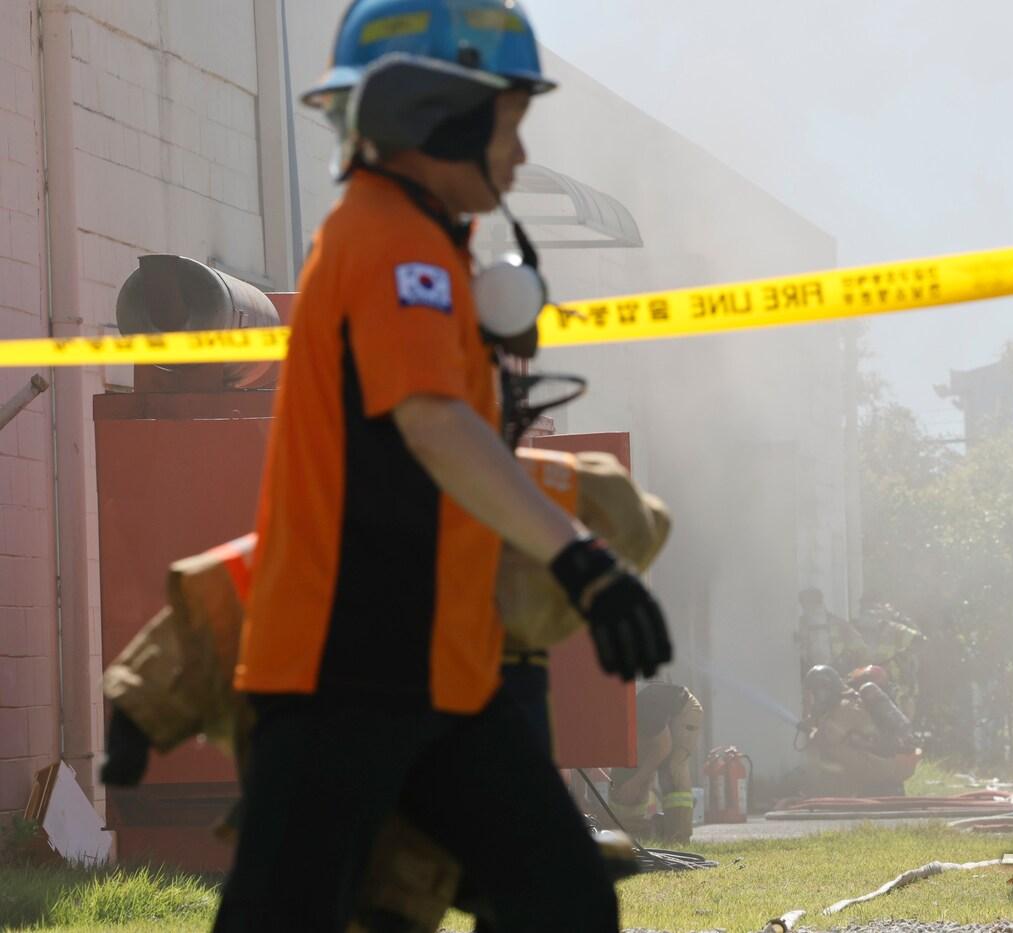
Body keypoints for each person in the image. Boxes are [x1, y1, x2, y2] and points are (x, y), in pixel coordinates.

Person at [213, 3, 671, 930]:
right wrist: (583, 561)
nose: (518, 155)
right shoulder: (389, 241)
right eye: (508, 124)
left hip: (443, 676)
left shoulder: (430, 247)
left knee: (563, 898)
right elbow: (433, 424)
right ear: (438, 116)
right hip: (342, 677)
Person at [796, 665, 919, 797]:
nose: (814, 699)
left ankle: (840, 793)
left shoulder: (845, 707)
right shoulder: (845, 704)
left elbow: (824, 738)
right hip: (883, 767)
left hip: (883, 769)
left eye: (814, 694)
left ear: (824, 691)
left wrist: (810, 722)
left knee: (833, 750)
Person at [608, 682, 705, 843]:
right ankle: (634, 833)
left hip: (685, 710)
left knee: (672, 767)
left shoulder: (644, 711)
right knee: (631, 767)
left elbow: (663, 747)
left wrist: (636, 782)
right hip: (661, 718)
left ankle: (678, 836)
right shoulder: (624, 721)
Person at [795, 587, 868, 676]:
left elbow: (859, 645)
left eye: (808, 602)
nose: (805, 606)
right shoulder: (800, 624)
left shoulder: (838, 623)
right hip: (810, 670)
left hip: (837, 669)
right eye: (803, 603)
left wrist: (848, 657)